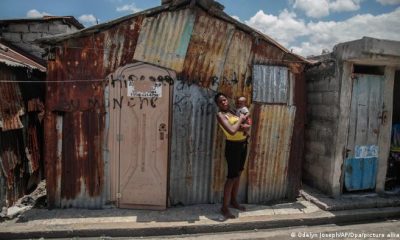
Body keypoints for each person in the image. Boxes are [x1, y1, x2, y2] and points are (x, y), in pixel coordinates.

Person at [214, 92, 250, 219]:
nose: (224, 102)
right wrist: (240, 121)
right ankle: (224, 208)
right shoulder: (220, 115)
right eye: (220, 101)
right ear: (217, 104)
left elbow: (247, 126)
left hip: (243, 145)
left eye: (225, 100)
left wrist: (242, 126)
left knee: (238, 174)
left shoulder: (233, 111)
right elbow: (232, 131)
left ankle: (234, 201)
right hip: (233, 147)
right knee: (231, 177)